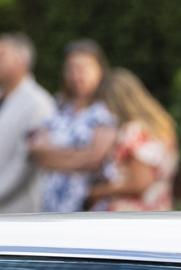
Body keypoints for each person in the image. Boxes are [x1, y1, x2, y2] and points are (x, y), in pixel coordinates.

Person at [29, 40, 116, 212]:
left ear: (100, 70)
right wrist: (80, 155)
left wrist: (54, 156)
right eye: (71, 68)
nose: (77, 75)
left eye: (84, 68)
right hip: (51, 205)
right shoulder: (58, 106)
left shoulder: (106, 110)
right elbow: (37, 152)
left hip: (86, 208)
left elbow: (95, 159)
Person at [86, 68, 178, 211]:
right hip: (158, 208)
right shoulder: (162, 126)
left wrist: (96, 192)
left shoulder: (133, 132)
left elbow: (139, 182)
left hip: (130, 214)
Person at [0, 34, 54, 213]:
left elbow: (25, 163)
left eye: (1, 55)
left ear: (21, 61)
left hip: (18, 211)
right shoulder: (5, 97)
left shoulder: (38, 103)